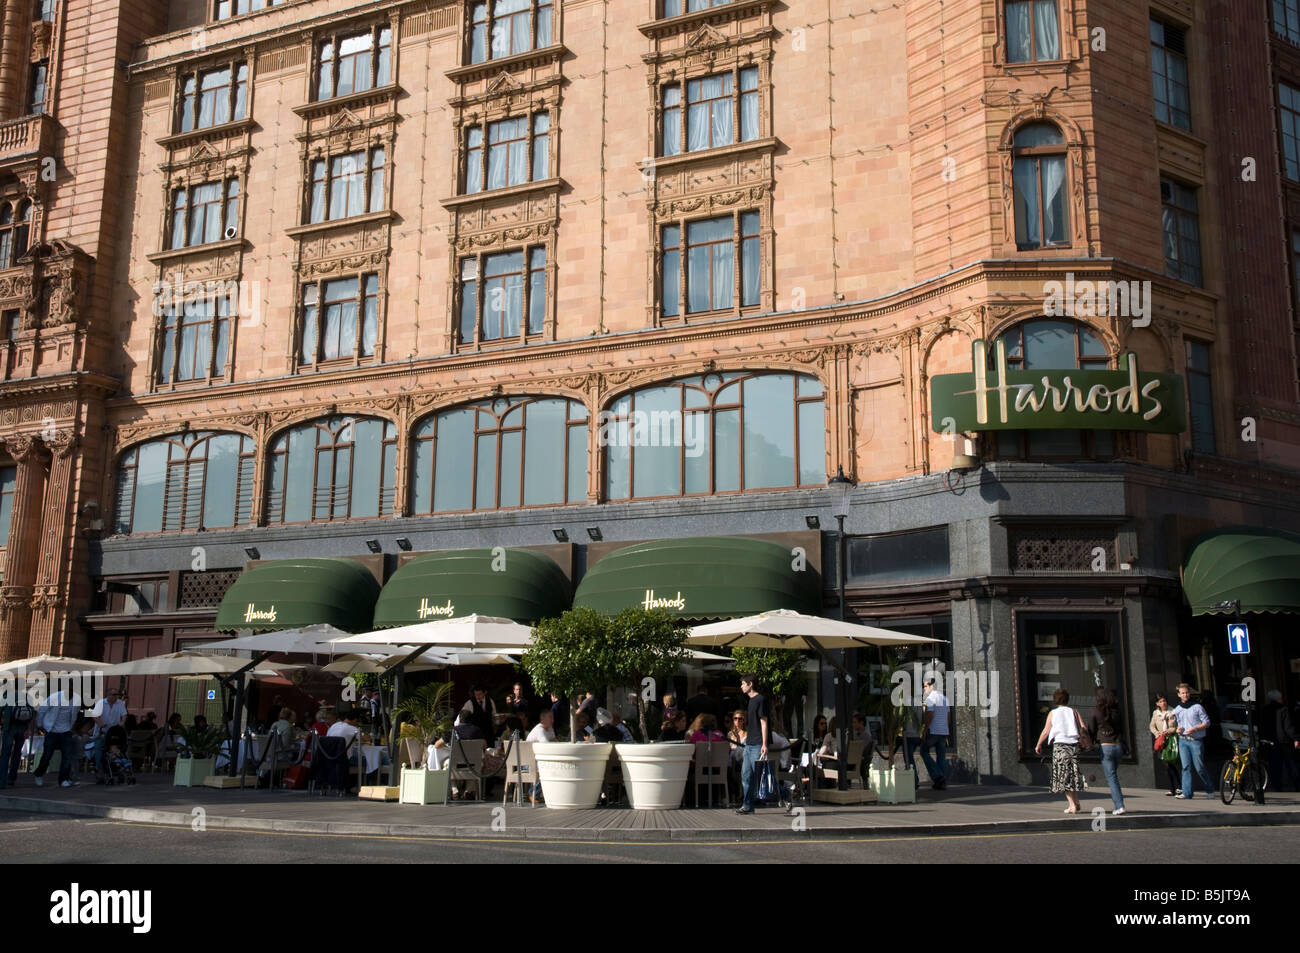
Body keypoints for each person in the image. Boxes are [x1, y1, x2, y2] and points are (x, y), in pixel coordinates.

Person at [1034, 687, 1089, 813]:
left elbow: (1046, 731)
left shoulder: (1053, 713)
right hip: (1073, 746)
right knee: (1073, 774)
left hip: (1060, 746)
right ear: (1067, 699)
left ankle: (1072, 805)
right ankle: (1076, 802)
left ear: (1055, 700)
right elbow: (1083, 727)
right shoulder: (1074, 711)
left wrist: (1038, 744)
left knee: (1064, 776)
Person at [1172, 683, 1217, 799]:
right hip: (1183, 740)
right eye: (1182, 693)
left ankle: (1210, 789)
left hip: (1195, 740)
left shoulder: (1197, 707)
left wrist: (1196, 728)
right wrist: (1178, 729)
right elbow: (1178, 723)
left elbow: (1207, 722)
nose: (1185, 695)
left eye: (1186, 692)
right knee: (1185, 767)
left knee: (1199, 767)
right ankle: (1187, 792)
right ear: (1179, 695)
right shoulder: (1178, 709)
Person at [33, 687, 83, 788]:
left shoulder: (77, 699)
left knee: (67, 756)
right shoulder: (54, 697)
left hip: (66, 731)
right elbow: (42, 710)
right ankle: (39, 774)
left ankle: (63, 779)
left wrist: (71, 727)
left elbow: (75, 714)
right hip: (52, 730)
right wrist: (39, 725)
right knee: (47, 755)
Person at [735, 674, 769, 815]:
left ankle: (785, 794)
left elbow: (764, 722)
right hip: (749, 743)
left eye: (743, 684)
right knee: (746, 775)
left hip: (757, 744)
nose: (741, 686)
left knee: (760, 776)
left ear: (751, 684)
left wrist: (764, 743)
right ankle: (747, 805)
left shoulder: (760, 700)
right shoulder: (750, 701)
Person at [1089, 687, 1126, 815]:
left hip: (1105, 746)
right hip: (1118, 745)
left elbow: (1091, 730)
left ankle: (1119, 805)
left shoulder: (1096, 711)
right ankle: (1118, 803)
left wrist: (1091, 743)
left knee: (1112, 778)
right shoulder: (1116, 711)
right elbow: (1123, 728)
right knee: (1113, 776)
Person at [88, 687, 128, 782]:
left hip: (114, 732)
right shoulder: (101, 703)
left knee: (116, 750)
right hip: (102, 731)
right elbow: (94, 715)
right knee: (98, 748)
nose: (116, 697)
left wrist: (122, 722)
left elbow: (124, 715)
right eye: (114, 695)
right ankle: (100, 770)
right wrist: (101, 724)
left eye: (117, 695)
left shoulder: (119, 704)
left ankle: (117, 769)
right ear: (108, 695)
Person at [1263, 690, 1300, 791]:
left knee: (1275, 766)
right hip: (1284, 741)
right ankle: (1297, 786)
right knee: (1291, 764)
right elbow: (1288, 727)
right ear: (1279, 699)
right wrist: (1296, 738)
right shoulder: (1283, 709)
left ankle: (1277, 786)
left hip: (1270, 742)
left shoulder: (1264, 710)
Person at [918, 675, 950, 790]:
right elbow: (948, 716)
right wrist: (945, 728)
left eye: (925, 686)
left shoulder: (930, 698)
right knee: (941, 756)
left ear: (932, 686)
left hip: (934, 730)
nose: (924, 688)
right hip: (943, 731)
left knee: (923, 750)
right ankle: (941, 782)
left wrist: (925, 729)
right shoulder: (945, 698)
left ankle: (938, 775)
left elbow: (929, 715)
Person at [0, 694, 35, 789]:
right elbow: (32, 714)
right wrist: (28, 729)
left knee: (5, 754)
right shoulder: (28, 697)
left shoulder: (7, 696)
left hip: (9, 728)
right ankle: (12, 778)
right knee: (17, 753)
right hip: (22, 729)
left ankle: (2, 781)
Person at [1149, 692, 1181, 796]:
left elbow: (1178, 726)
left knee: (1173, 763)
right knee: (1166, 765)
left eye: (1164, 701)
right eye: (1161, 701)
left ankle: (1179, 786)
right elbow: (1152, 726)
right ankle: (1172, 788)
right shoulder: (1155, 713)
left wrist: (1170, 730)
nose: (1163, 703)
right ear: (1157, 703)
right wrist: (1157, 734)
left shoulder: (1173, 711)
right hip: (1161, 741)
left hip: (1171, 739)